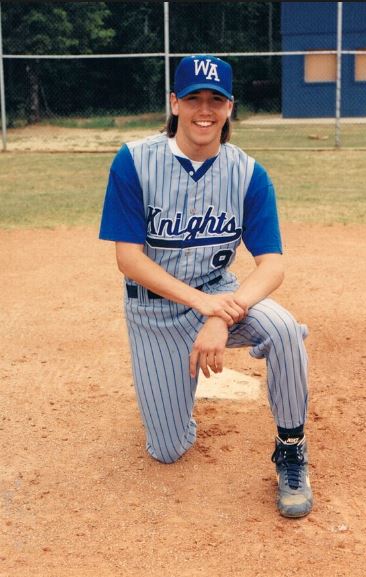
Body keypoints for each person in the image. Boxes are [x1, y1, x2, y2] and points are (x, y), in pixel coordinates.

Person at [99, 54, 313, 518]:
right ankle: (177, 390)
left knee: (284, 329)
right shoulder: (135, 161)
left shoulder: (249, 173)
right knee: (167, 449)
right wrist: (205, 305)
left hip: (224, 296)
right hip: (154, 314)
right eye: (193, 97)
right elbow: (128, 258)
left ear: (230, 107)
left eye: (216, 99)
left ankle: (292, 450)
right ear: (174, 103)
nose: (204, 109)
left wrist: (218, 315)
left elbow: (272, 265)